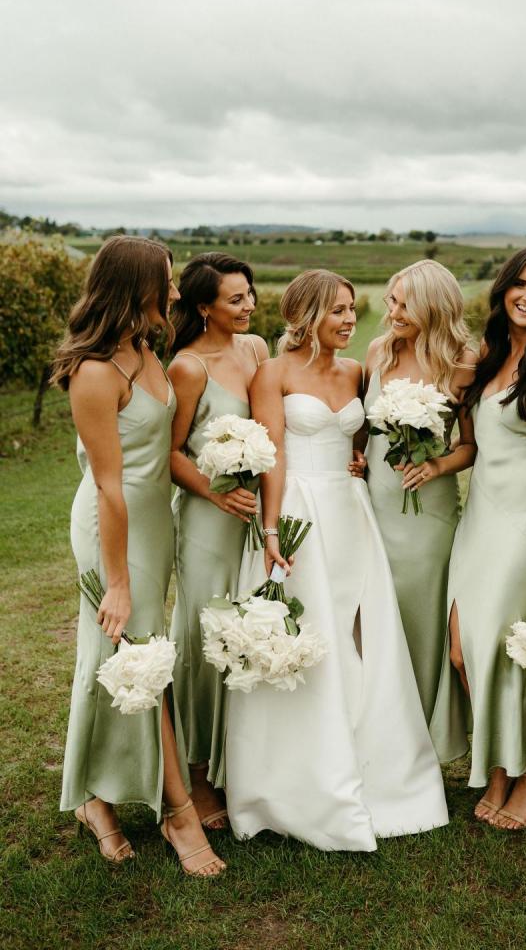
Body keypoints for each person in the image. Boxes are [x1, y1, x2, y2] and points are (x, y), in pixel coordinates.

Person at [225, 269, 449, 850]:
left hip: (351, 513)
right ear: (305, 316)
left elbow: (362, 440)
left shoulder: (358, 370)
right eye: (338, 311)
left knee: (359, 632)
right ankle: (299, 782)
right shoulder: (271, 374)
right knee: (307, 636)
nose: (351, 320)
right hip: (297, 511)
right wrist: (271, 529)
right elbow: (271, 454)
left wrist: (357, 461)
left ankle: (375, 764)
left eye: (353, 309)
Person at [53, 235, 225, 877]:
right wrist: (118, 582)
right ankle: (179, 813)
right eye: (168, 281)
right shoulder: (95, 371)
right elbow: (107, 485)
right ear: (136, 287)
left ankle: (94, 798)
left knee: (112, 659)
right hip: (111, 530)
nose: (176, 292)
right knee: (140, 658)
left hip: (153, 523)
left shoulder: (144, 348)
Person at [429, 248, 526, 830]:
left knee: (511, 654)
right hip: (479, 520)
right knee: (465, 650)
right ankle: (500, 766)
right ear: (503, 291)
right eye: (520, 284)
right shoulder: (490, 356)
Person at [168, 253, 269, 829]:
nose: (249, 305)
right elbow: (172, 452)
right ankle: (198, 773)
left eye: (250, 294)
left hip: (255, 517)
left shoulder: (256, 350)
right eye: (236, 299)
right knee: (205, 635)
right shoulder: (188, 367)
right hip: (210, 519)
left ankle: (243, 762)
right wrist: (215, 492)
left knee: (249, 630)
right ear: (203, 307)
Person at [357, 259, 477, 724]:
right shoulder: (378, 352)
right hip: (375, 508)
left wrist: (436, 466)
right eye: (391, 300)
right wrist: (356, 458)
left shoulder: (464, 364)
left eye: (405, 303)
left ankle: (425, 735)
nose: (393, 312)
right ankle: (381, 734)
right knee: (374, 625)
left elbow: (470, 446)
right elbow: (363, 432)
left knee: (421, 624)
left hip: (428, 516)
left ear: (434, 306)